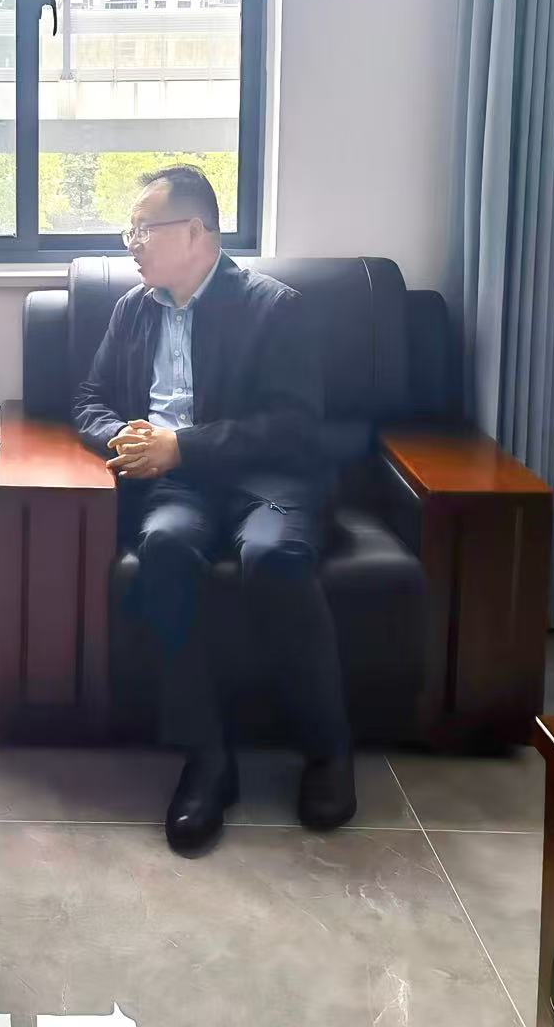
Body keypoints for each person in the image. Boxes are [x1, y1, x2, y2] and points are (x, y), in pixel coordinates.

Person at [73, 164, 356, 856]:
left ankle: (328, 750)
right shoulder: (132, 310)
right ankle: (207, 760)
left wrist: (181, 445)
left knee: (272, 556)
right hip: (178, 486)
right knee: (164, 548)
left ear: (195, 232)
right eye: (130, 231)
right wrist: (124, 436)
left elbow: (292, 427)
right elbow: (89, 400)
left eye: (144, 230)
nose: (132, 244)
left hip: (268, 480)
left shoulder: (275, 308)